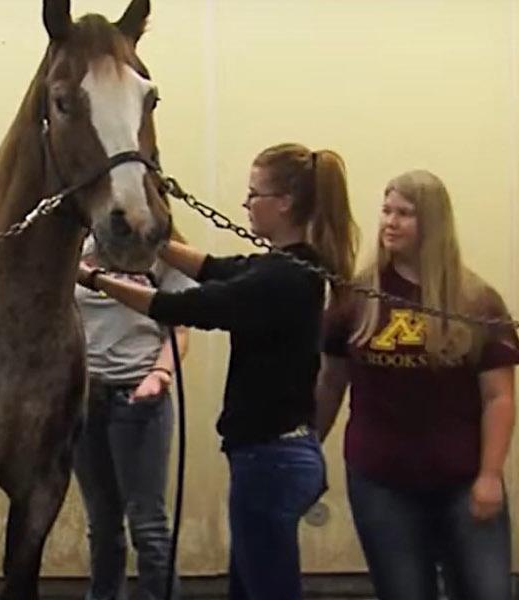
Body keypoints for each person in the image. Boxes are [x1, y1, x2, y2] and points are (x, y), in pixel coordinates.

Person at [77, 143, 358, 600]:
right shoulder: (283, 264)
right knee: (249, 586)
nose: (246, 205)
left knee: (267, 589)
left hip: (272, 458)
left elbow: (180, 305)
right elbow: (213, 269)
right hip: (266, 456)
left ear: (283, 202)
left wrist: (92, 278)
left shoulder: (284, 278)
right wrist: (147, 236)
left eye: (254, 195)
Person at [313, 169, 519, 600]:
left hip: (462, 478)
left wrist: (490, 475)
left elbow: (498, 396)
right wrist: (307, 449)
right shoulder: (357, 297)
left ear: (432, 223)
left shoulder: (475, 299)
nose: (390, 222)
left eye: (405, 214)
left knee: (486, 591)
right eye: (386, 211)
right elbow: (331, 383)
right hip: (382, 480)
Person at [72, 232, 194, 600]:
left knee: (148, 525)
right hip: (85, 398)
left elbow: (181, 328)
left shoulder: (162, 253)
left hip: (139, 398)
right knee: (103, 523)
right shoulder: (79, 249)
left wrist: (161, 373)